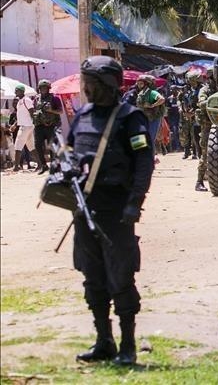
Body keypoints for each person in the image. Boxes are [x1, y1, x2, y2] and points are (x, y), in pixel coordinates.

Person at [68, 55, 154, 365]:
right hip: (84, 210)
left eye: (89, 84)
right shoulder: (82, 116)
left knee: (121, 277)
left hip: (117, 213)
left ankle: (128, 346)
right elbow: (68, 153)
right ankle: (103, 341)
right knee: (93, 278)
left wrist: (134, 202)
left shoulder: (130, 118)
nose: (86, 90)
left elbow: (144, 163)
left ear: (106, 85)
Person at [33, 79, 63, 174]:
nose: (43, 89)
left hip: (52, 125)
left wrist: (51, 110)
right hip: (39, 126)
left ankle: (54, 167)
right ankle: (44, 165)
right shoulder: (36, 99)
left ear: (49, 88)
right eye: (42, 87)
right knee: (38, 146)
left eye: (45, 87)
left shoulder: (55, 98)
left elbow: (60, 111)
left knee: (52, 147)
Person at [195, 69, 218, 191]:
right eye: (214, 78)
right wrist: (215, 101)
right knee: (205, 154)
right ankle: (199, 181)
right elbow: (201, 102)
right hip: (207, 125)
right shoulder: (205, 90)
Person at [135, 75, 165, 148]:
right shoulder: (141, 93)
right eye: (138, 83)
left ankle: (149, 157)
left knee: (150, 139)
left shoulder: (152, 92)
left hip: (153, 119)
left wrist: (153, 105)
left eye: (141, 83)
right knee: (141, 139)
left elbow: (162, 99)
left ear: (147, 83)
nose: (139, 85)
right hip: (143, 118)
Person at [11, 84, 36, 171]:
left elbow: (32, 112)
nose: (15, 92)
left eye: (17, 90)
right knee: (31, 147)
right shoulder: (19, 102)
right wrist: (15, 125)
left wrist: (34, 124)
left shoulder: (27, 100)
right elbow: (21, 115)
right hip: (25, 126)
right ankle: (41, 165)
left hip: (26, 126)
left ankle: (16, 166)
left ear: (22, 91)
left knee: (17, 145)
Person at [179, 72, 202, 159]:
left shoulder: (201, 89)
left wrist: (193, 112)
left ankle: (196, 153)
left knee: (196, 134)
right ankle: (187, 151)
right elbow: (181, 100)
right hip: (187, 114)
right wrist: (183, 110)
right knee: (185, 133)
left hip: (197, 114)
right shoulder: (186, 89)